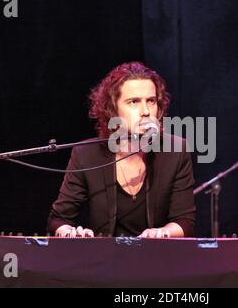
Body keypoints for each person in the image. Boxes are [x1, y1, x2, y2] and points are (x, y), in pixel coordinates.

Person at [47, 62, 196, 238]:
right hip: (103, 261)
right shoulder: (86, 154)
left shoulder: (176, 151)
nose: (146, 111)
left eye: (151, 101)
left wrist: (164, 232)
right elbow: (58, 219)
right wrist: (69, 232)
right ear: (113, 109)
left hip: (157, 258)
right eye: (134, 102)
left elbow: (185, 220)